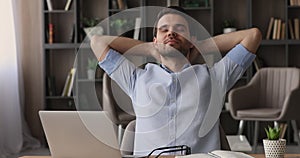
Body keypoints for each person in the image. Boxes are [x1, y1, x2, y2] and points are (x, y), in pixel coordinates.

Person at [91, 6, 262, 156]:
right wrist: (150, 49)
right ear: (155, 40)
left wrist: (199, 47)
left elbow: (253, 36)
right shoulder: (136, 79)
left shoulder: (215, 77)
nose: (171, 33)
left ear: (191, 40)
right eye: (163, 29)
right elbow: (97, 42)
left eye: (179, 29)